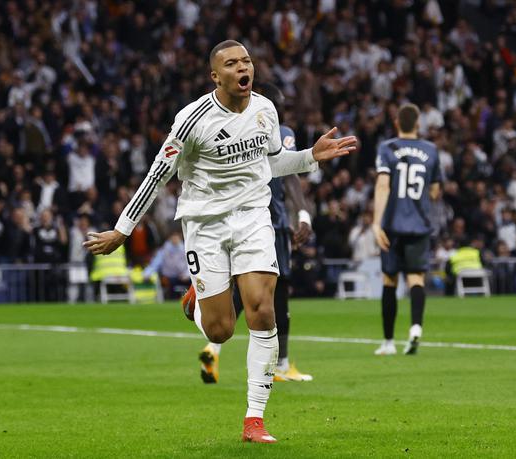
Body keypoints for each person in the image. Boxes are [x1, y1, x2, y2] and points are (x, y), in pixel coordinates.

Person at [83, 40, 357, 443]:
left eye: (246, 60)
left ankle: (254, 420)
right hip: (205, 225)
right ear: (216, 75)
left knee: (262, 310)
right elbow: (158, 175)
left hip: (253, 218)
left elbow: (271, 163)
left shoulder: (266, 109)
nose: (243, 67)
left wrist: (309, 156)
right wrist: (123, 230)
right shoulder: (191, 120)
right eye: (232, 63)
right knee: (220, 332)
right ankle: (196, 300)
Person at [197, 82, 314, 385]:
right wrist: (302, 214)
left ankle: (213, 347)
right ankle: (282, 364)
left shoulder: (231, 125)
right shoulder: (279, 129)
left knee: (245, 294)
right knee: (278, 293)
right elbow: (290, 177)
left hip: (235, 219)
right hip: (269, 222)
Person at [372, 103, 441, 356]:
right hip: (419, 224)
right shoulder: (432, 150)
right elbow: (434, 191)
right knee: (416, 279)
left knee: (389, 280)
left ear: (397, 123)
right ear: (419, 123)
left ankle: (389, 342)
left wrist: (376, 222)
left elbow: (382, 186)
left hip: (392, 224)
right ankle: (415, 329)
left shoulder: (387, 147)